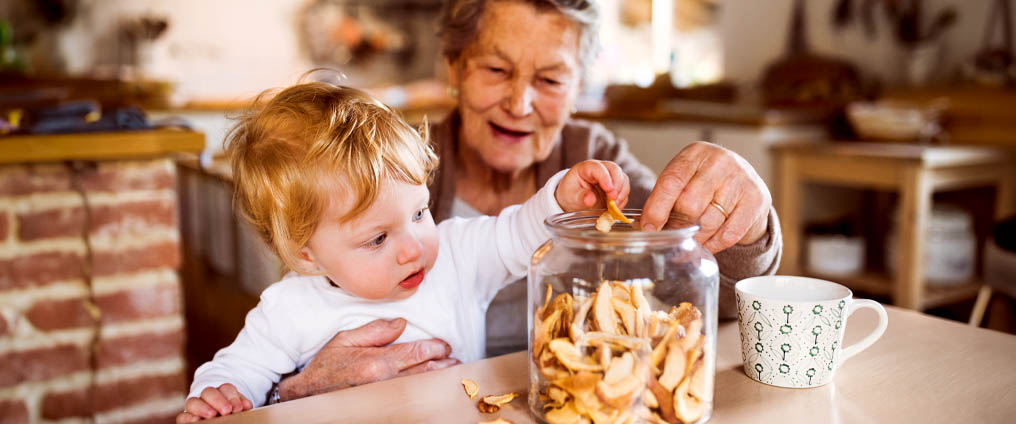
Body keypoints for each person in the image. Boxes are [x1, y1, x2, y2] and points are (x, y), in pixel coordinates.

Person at [272, 0, 781, 403]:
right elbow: (294, 327)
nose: (519, 104)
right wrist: (295, 389)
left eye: (551, 80)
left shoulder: (598, 163)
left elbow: (718, 293)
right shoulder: (385, 171)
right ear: (454, 69)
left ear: (578, 87)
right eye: (496, 69)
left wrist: (749, 220)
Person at [176, 82, 632, 421]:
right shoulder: (288, 307)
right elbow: (239, 369)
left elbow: (518, 234)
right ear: (307, 256)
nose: (413, 248)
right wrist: (219, 394)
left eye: (419, 213)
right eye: (377, 239)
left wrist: (561, 201)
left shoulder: (455, 255)